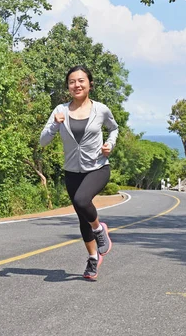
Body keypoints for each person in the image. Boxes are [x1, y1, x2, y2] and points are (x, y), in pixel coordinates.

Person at [39, 65, 119, 280]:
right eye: (72, 81)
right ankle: (93, 259)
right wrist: (54, 125)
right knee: (82, 217)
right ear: (68, 86)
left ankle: (100, 229)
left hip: (98, 167)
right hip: (72, 171)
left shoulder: (101, 110)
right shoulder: (60, 111)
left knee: (82, 201)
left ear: (89, 84)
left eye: (81, 80)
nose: (77, 85)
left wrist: (110, 144)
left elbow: (114, 128)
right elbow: (43, 141)